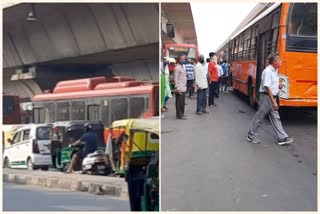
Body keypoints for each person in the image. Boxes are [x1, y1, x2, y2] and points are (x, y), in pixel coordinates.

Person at [247, 53, 294, 146]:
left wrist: (278, 86)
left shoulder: (275, 70)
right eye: (279, 60)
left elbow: (272, 84)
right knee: (259, 117)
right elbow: (267, 87)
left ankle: (282, 138)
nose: (281, 62)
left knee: (276, 118)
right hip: (266, 98)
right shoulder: (267, 71)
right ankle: (250, 136)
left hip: (272, 97)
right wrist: (274, 102)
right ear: (274, 62)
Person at [174, 54, 187, 120]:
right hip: (179, 88)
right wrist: (177, 88)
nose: (183, 60)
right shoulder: (177, 68)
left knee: (182, 102)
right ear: (178, 60)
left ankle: (182, 114)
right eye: (182, 59)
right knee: (179, 102)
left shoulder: (182, 67)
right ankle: (179, 115)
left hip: (183, 87)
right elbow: (175, 78)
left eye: (184, 59)